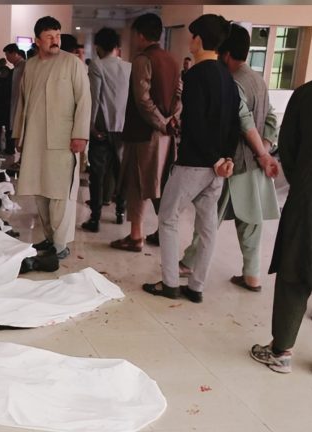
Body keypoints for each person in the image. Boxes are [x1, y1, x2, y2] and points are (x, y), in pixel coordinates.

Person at [250, 64, 312, 377]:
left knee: (294, 271)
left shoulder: (308, 94)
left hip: (309, 198)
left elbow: (287, 148)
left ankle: (282, 351)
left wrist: (303, 180)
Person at [143, 14, 239, 303]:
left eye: (192, 35)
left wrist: (213, 159)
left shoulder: (196, 75)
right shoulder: (227, 76)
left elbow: (195, 123)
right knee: (207, 228)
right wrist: (226, 158)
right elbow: (234, 123)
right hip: (218, 168)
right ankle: (196, 287)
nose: (189, 40)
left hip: (195, 163)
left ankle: (170, 283)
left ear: (199, 39)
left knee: (167, 218)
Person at [180, 24, 281, 292]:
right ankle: (252, 276)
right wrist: (264, 151)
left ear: (224, 54)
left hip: (233, 163)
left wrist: (260, 154)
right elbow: (271, 119)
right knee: (251, 223)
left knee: (208, 216)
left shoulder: (232, 82)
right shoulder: (258, 80)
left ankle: (189, 263)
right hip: (254, 165)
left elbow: (244, 123)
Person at [13, 16, 91, 259]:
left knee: (59, 194)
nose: (55, 40)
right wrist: (18, 134)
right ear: (37, 40)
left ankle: (60, 245)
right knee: (40, 192)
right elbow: (22, 102)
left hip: (63, 139)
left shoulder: (72, 63)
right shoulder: (31, 66)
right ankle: (50, 238)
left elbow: (84, 100)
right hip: (35, 140)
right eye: (49, 37)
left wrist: (80, 135)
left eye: (57, 36)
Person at [111, 13, 182, 253]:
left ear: (141, 35)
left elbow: (142, 100)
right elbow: (179, 95)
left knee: (139, 184)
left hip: (145, 133)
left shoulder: (143, 59)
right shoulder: (172, 59)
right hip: (167, 136)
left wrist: (160, 122)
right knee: (161, 184)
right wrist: (171, 120)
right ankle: (163, 232)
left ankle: (136, 236)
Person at [81, 28, 131, 232]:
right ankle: (120, 212)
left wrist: (90, 126)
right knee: (121, 173)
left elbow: (94, 98)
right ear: (117, 46)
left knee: (98, 175)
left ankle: (95, 218)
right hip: (123, 129)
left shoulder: (97, 65)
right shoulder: (128, 67)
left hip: (102, 128)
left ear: (98, 47)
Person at [3, 44, 26, 156]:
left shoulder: (25, 66)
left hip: (21, 105)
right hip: (14, 103)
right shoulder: (16, 68)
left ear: (14, 53)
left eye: (8, 55)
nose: (7, 58)